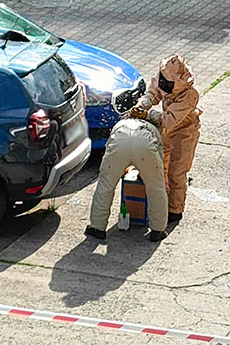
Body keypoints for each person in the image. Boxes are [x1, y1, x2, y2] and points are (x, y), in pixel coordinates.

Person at [130, 54, 201, 224]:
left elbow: (169, 118)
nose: (163, 84)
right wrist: (143, 103)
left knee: (177, 172)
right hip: (167, 131)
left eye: (167, 83)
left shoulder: (190, 95)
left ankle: (175, 210)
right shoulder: (165, 76)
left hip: (185, 133)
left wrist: (146, 114)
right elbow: (154, 91)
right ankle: (161, 201)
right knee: (160, 165)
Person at [85, 117, 168, 242]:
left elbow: (110, 148)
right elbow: (159, 161)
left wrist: (119, 171)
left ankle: (97, 228)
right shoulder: (154, 130)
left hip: (119, 140)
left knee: (105, 185)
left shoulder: (122, 123)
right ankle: (158, 230)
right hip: (146, 145)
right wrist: (144, 175)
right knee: (156, 188)